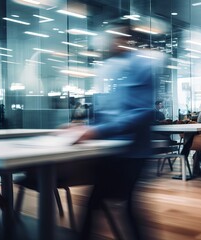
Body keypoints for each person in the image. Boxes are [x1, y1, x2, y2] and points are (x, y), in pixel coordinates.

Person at [69, 22, 163, 240]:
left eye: (116, 38)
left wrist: (97, 131)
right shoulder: (112, 68)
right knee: (100, 204)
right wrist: (84, 126)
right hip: (113, 152)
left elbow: (141, 111)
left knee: (123, 206)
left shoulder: (140, 65)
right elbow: (109, 112)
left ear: (127, 40)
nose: (110, 43)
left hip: (133, 152)